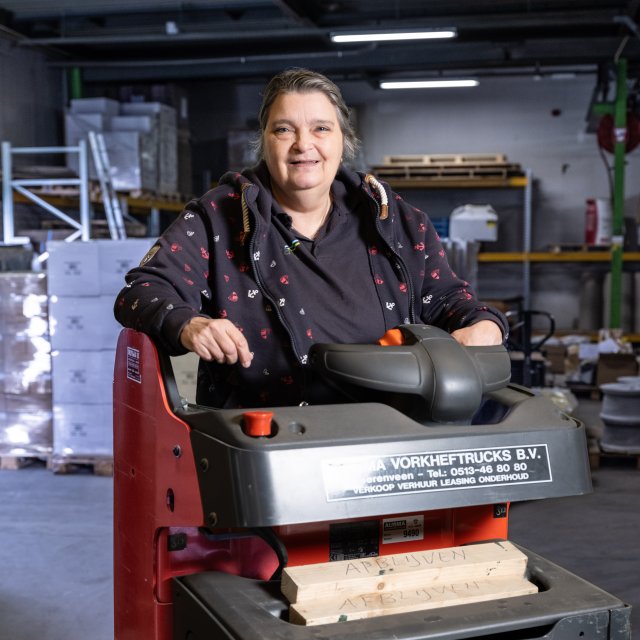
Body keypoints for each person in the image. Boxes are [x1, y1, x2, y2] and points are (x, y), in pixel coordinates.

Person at [114, 68, 507, 409]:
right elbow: (140, 293)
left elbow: (448, 301)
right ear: (264, 141)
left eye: (321, 128)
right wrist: (191, 324)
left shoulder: (395, 220)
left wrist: (485, 324)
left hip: (390, 427)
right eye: (284, 130)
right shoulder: (218, 217)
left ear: (342, 140)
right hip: (268, 440)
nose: (304, 145)